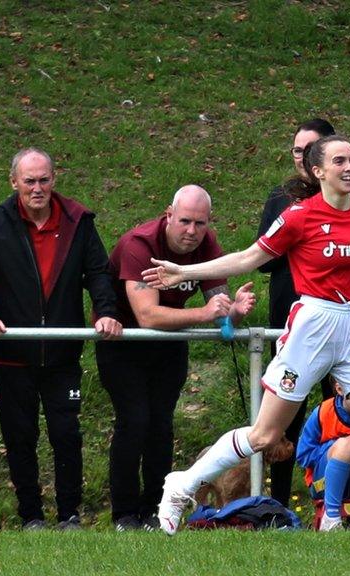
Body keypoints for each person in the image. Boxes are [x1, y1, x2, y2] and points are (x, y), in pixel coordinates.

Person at [144, 135, 350, 553]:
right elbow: (251, 257)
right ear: (318, 170)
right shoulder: (298, 216)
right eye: (339, 161)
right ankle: (183, 483)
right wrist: (183, 271)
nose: (349, 167)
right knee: (267, 435)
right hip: (313, 326)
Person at [0, 147, 122, 530]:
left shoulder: (78, 220)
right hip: (13, 355)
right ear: (13, 182)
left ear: (54, 179)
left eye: (44, 179)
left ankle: (70, 515)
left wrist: (107, 312)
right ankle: (30, 516)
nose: (37, 188)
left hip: (63, 355)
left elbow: (97, 272)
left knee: (66, 435)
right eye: (29, 181)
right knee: (20, 437)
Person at [98, 185, 255, 531]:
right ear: (168, 214)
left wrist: (236, 313)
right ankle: (124, 515)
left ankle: (156, 511)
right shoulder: (140, 245)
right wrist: (204, 313)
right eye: (184, 221)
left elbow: (220, 313)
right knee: (134, 421)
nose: (192, 231)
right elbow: (148, 316)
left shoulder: (207, 244)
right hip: (124, 342)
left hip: (171, 344)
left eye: (200, 223)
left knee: (161, 425)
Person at [256, 119, 350, 506]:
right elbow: (260, 260)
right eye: (297, 152)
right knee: (279, 423)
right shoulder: (284, 200)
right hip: (295, 320)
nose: (303, 158)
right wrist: (303, 240)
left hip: (344, 323)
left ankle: (338, 504)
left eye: (312, 149)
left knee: (345, 411)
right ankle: (277, 506)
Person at [296, 380, 350, 532]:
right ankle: (331, 519)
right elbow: (303, 456)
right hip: (324, 483)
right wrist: (336, 445)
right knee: (344, 446)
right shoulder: (324, 412)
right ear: (340, 389)